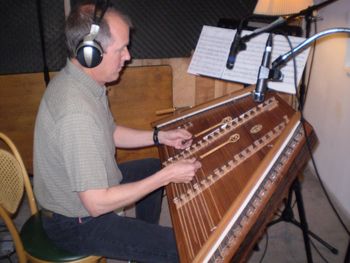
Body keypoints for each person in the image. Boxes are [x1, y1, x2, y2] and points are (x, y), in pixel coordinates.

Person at [33, 1, 201, 262]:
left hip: (92, 195)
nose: (128, 57)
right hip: (76, 224)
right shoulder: (76, 113)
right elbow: (96, 203)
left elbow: (109, 131)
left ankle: (144, 243)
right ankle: (150, 247)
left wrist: (159, 136)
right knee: (185, 246)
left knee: (156, 166)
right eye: (121, 49)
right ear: (91, 53)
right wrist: (165, 178)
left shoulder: (84, 82)